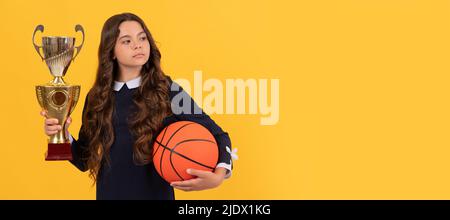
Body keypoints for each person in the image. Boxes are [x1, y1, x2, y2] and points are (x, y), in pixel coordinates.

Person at [40, 12, 234, 200]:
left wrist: (218, 176)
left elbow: (218, 135)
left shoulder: (168, 91)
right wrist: (60, 134)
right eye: (127, 41)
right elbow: (83, 159)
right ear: (112, 51)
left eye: (142, 38)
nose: (137, 45)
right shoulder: (97, 97)